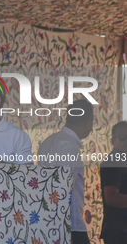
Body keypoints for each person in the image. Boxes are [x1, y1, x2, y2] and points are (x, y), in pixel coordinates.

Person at [38, 99, 93, 244]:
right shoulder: (69, 147)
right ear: (88, 123)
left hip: (49, 223)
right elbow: (63, 190)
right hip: (69, 226)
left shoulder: (47, 142)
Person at [100, 121, 127, 244]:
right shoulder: (114, 162)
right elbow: (111, 198)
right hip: (119, 233)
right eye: (122, 138)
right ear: (112, 141)